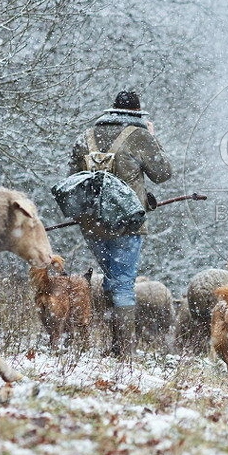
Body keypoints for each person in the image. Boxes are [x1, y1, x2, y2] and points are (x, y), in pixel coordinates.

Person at [68, 90, 172, 356]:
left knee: (111, 279)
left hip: (92, 224)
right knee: (124, 282)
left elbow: (72, 179)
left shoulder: (86, 136)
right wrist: (153, 137)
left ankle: (111, 344)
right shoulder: (140, 136)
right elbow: (162, 174)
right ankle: (123, 351)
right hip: (126, 224)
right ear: (138, 114)